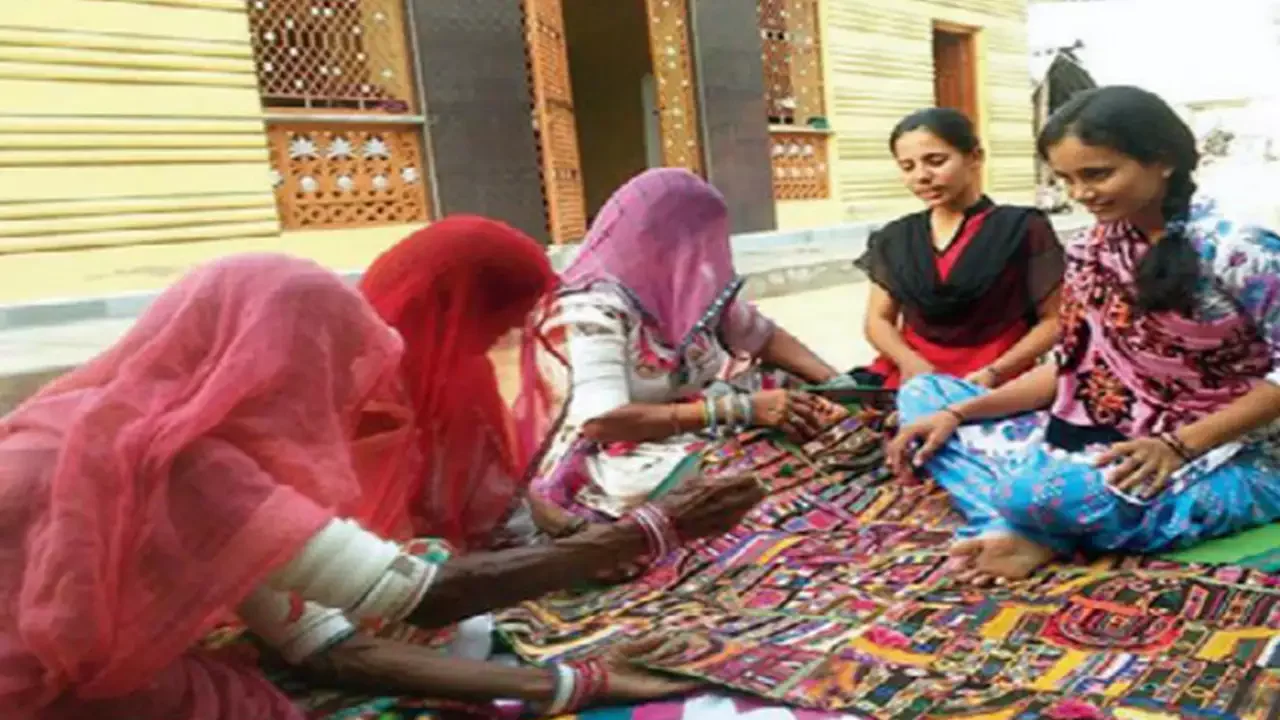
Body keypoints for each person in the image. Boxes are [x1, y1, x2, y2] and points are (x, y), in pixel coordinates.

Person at [0, 254, 764, 720]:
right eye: (325, 374)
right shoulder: (201, 474)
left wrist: (569, 681)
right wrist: (651, 530)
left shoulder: (78, 419)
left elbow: (321, 641)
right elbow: (415, 596)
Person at [887, 86, 1280, 581]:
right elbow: (1075, 368)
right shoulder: (1091, 249)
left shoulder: (1238, 250)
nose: (1080, 194)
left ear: (1162, 160)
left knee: (1038, 492)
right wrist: (957, 412)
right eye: (1066, 179)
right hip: (1111, 434)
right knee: (924, 398)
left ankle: (1021, 525)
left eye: (1097, 174)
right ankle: (1022, 527)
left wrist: (1177, 446)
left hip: (1230, 453)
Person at [520, 168, 841, 532]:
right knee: (739, 480)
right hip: (608, 455)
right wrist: (739, 409)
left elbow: (763, 337)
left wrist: (835, 382)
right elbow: (599, 421)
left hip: (685, 426)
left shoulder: (687, 291)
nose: (705, 252)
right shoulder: (592, 310)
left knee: (790, 401)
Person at [854, 108, 1064, 389]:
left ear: (975, 157)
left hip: (997, 385)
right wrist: (910, 363)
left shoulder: (1021, 228)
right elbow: (878, 320)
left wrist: (995, 372)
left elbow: (1055, 319)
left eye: (936, 161)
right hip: (911, 380)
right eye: (907, 167)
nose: (922, 176)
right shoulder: (896, 237)